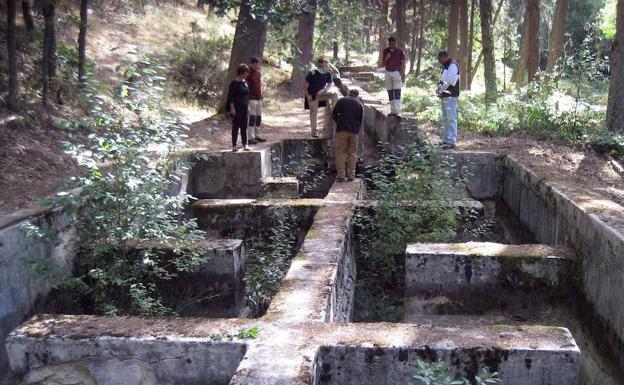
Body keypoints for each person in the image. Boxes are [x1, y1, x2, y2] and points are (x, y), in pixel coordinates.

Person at [332, 89, 363, 182]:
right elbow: (360, 120)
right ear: (357, 95)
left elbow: (334, 114)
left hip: (342, 130)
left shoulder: (342, 101)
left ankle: (341, 175)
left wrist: (339, 122)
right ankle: (351, 175)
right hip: (354, 132)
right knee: (352, 153)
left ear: (349, 93)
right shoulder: (359, 104)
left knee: (340, 152)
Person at [304, 58, 338, 138]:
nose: (325, 66)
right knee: (313, 113)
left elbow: (329, 85)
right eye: (324, 65)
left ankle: (335, 111)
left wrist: (323, 90)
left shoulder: (328, 74)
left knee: (334, 94)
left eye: (327, 65)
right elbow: (305, 85)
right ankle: (314, 132)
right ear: (320, 65)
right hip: (312, 96)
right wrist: (308, 95)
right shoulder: (312, 73)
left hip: (321, 94)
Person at [436, 50, 460, 148]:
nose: (439, 61)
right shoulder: (446, 66)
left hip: (451, 95)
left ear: (444, 57)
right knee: (445, 118)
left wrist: (441, 90)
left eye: (439, 59)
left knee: (451, 118)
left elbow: (449, 81)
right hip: (445, 95)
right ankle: (446, 139)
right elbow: (443, 79)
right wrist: (438, 89)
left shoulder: (453, 65)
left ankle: (451, 141)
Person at [227, 64, 251, 152]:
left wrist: (248, 106)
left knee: (244, 126)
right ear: (241, 72)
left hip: (244, 106)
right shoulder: (234, 83)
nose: (247, 74)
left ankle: (245, 144)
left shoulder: (246, 83)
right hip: (237, 107)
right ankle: (234, 145)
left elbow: (247, 95)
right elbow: (231, 96)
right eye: (246, 72)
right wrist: (232, 108)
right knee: (236, 126)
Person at [382, 36, 406, 116]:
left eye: (395, 43)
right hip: (388, 72)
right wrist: (386, 58)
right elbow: (383, 64)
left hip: (397, 72)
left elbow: (403, 63)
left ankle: (397, 110)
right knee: (390, 91)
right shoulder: (385, 51)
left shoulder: (400, 51)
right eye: (392, 44)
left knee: (397, 91)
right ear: (389, 44)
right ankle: (393, 110)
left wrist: (403, 74)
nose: (393, 45)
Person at [247, 57, 266, 144]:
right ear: (251, 64)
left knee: (258, 118)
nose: (256, 66)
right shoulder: (248, 74)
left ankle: (257, 135)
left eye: (257, 64)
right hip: (251, 98)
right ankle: (250, 137)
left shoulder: (258, 73)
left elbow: (258, 85)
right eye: (254, 65)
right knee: (252, 118)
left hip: (258, 98)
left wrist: (261, 93)